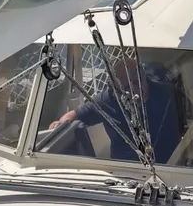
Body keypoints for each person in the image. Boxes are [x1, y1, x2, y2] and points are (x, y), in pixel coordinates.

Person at [49, 57, 181, 163]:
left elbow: (192, 124)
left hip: (169, 164)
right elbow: (74, 114)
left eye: (136, 83)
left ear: (143, 77)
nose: (133, 90)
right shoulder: (108, 100)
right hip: (124, 169)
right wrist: (60, 124)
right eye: (125, 88)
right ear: (115, 89)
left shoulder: (169, 94)